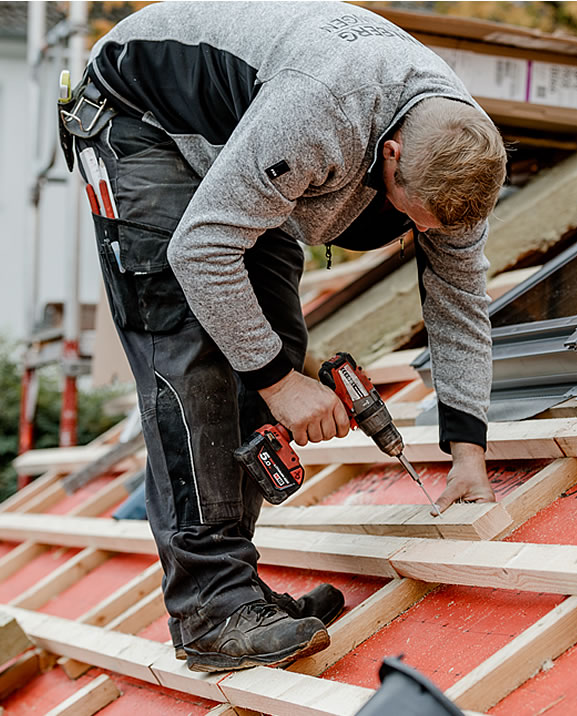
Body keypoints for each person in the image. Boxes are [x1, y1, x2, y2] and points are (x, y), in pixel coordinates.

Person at [58, 1, 506, 672]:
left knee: (271, 336)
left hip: (244, 136)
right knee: (195, 359)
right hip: (137, 118)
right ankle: (210, 609)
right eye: (413, 220)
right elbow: (201, 251)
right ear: (391, 153)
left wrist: (469, 450)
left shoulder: (462, 153)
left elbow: (460, 300)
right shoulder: (322, 111)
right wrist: (276, 383)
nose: (422, 237)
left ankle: (240, 591)